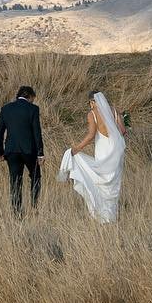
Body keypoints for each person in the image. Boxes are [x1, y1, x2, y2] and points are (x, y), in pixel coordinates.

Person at [57, 89, 126, 223]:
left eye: (90, 103)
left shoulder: (92, 114)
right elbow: (123, 131)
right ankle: (112, 215)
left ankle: (103, 215)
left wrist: (77, 148)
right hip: (116, 150)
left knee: (101, 179)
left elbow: (90, 136)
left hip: (103, 149)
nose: (90, 105)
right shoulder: (114, 111)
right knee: (113, 181)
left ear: (92, 102)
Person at [0, 84, 44, 217]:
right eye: (33, 98)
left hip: (11, 151)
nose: (33, 101)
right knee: (35, 176)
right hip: (30, 151)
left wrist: (0, 152)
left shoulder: (6, 109)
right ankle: (34, 206)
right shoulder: (33, 109)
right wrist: (40, 153)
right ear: (29, 96)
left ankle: (17, 213)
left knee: (15, 181)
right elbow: (37, 132)